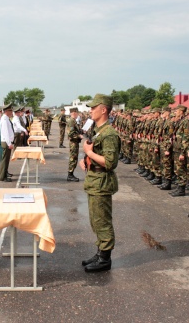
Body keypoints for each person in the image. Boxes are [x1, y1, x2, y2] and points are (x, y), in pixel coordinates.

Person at [79, 94, 121, 273]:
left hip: (102, 182)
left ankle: (105, 259)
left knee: (102, 221)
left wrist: (89, 153)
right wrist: (86, 160)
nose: (91, 110)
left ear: (103, 110)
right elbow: (97, 153)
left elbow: (111, 162)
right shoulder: (99, 131)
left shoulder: (109, 133)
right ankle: (100, 253)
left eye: (93, 107)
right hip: (95, 180)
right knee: (96, 220)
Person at [0, 103, 15, 182]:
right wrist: (9, 144)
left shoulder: (6, 119)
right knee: (5, 160)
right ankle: (2, 177)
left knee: (6, 160)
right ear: (6, 111)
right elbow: (5, 133)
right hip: (6, 142)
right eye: (10, 111)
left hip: (7, 142)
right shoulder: (4, 119)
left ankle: (4, 175)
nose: (12, 112)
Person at [67, 108, 83, 182]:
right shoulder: (71, 121)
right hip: (73, 142)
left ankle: (71, 174)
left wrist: (81, 131)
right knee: (73, 158)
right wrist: (79, 136)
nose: (77, 114)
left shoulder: (74, 121)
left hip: (75, 142)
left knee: (74, 158)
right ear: (73, 113)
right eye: (76, 113)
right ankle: (70, 175)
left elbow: (75, 131)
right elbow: (70, 133)